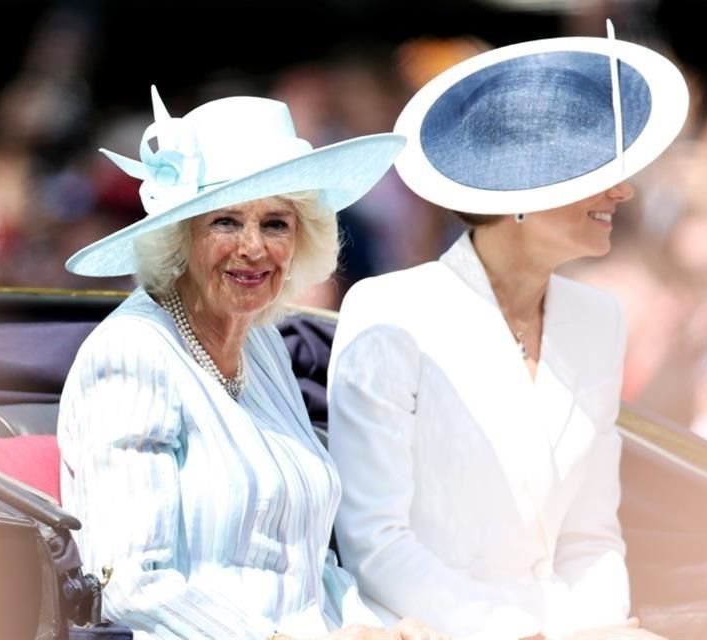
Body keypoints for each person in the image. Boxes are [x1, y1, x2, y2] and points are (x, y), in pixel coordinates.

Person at [328, 31, 690, 640]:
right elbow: (377, 546)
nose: (622, 190)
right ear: (521, 196)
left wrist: (593, 630)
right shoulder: (390, 309)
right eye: (592, 170)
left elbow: (590, 537)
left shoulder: (600, 319)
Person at [57, 87, 443, 640]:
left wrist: (368, 625)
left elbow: (306, 565)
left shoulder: (263, 347)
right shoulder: (133, 351)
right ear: (179, 235)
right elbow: (129, 582)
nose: (254, 248)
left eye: (276, 224)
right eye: (226, 222)